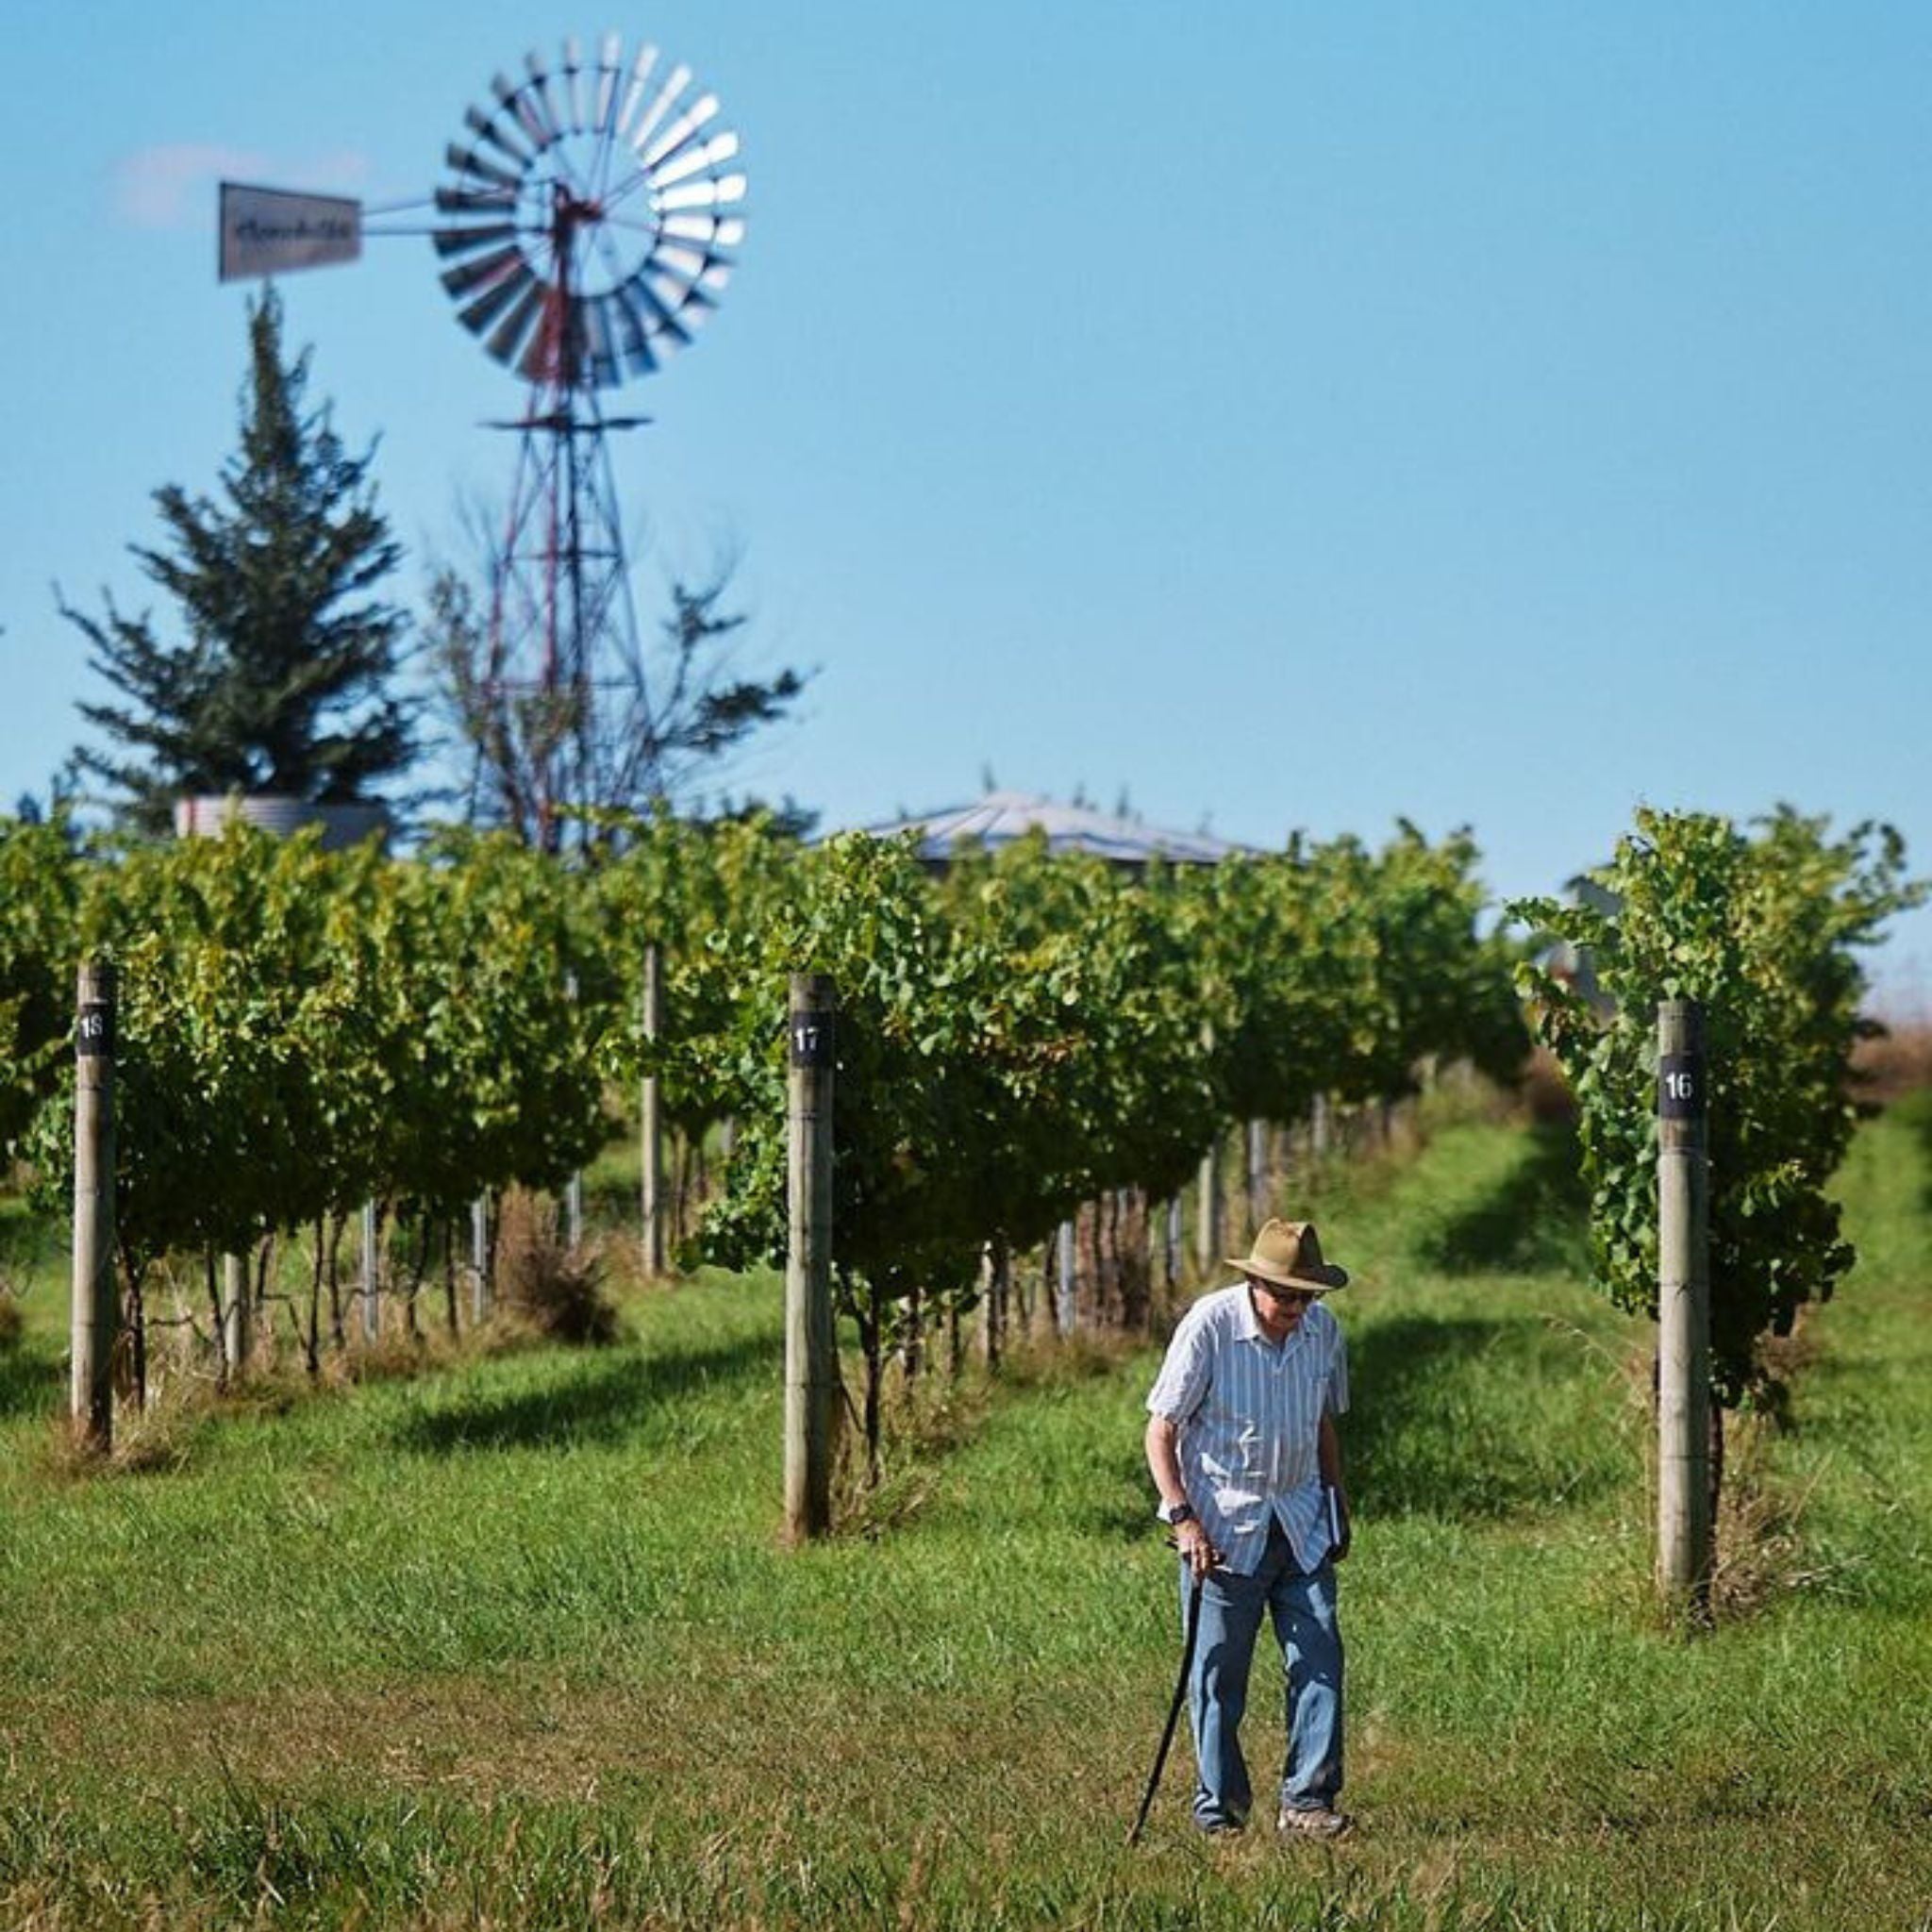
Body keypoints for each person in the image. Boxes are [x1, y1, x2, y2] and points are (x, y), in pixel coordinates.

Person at [1143, 1216, 1354, 1839]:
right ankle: (1221, 1811)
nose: (1295, 1307)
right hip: (1222, 1531)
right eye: (1284, 1294)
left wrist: (1337, 1499)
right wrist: (1183, 1519)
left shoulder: (1322, 1333)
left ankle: (1308, 1803)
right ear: (1256, 1283)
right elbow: (1161, 1430)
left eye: (1306, 1295)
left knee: (1320, 1658)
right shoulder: (1209, 1327)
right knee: (1216, 1676)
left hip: (1301, 1520)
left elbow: (1321, 1424)